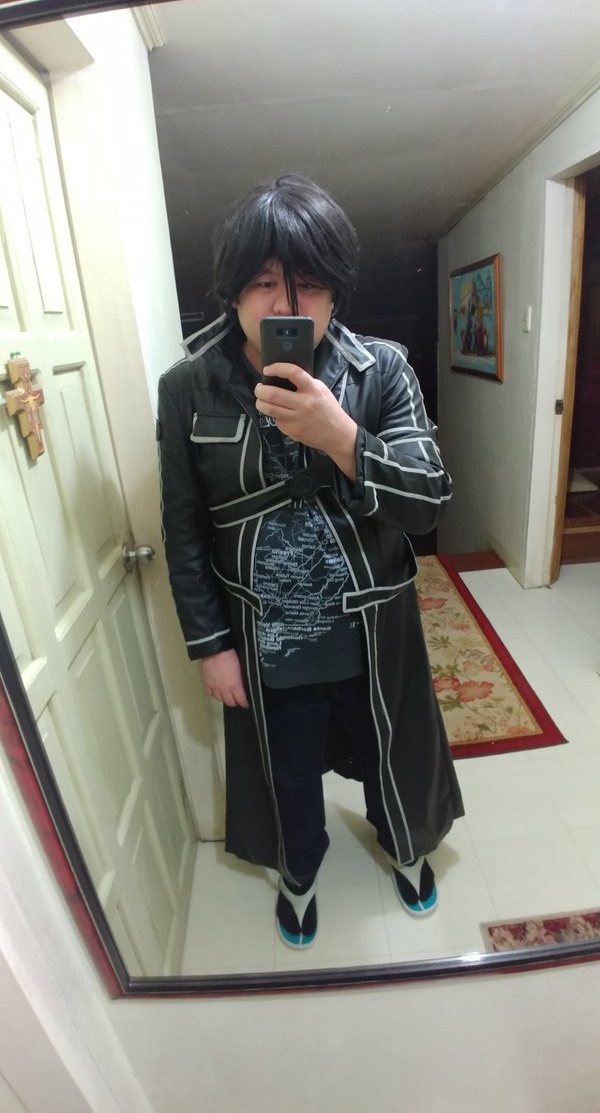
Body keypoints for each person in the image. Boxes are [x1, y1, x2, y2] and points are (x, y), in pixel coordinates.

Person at [157, 173, 464, 949]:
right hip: (263, 639)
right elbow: (183, 526)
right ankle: (298, 874)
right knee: (284, 772)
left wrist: (342, 437)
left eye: (309, 284)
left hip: (374, 627)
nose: (286, 304)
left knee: (391, 754)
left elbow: (427, 501)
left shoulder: (381, 370)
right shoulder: (189, 387)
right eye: (264, 282)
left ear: (336, 293)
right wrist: (210, 645)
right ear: (232, 289)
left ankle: (406, 848)